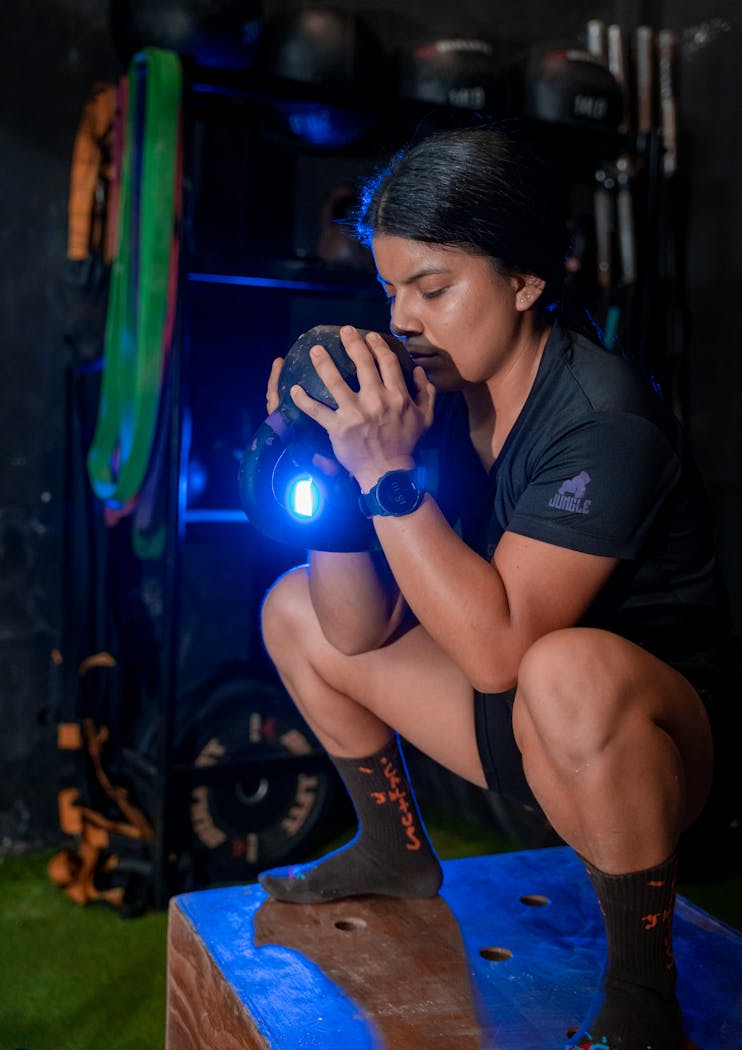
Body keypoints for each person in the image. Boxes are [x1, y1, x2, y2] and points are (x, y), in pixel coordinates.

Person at [255, 124, 737, 1050]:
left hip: (654, 758)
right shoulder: (427, 394)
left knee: (566, 668)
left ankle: (644, 994)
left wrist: (387, 474)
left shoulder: (603, 418)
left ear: (526, 280)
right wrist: (330, 461)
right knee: (295, 606)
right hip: (520, 728)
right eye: (391, 287)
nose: (402, 319)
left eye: (434, 289)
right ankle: (395, 850)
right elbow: (354, 634)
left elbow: (500, 650)